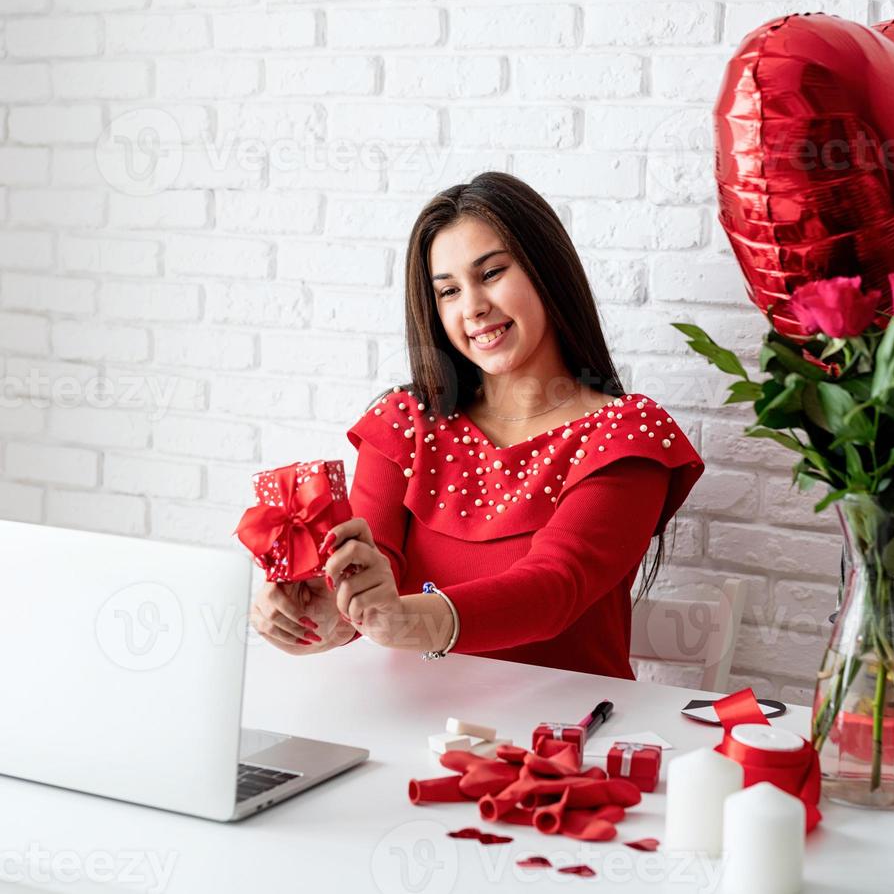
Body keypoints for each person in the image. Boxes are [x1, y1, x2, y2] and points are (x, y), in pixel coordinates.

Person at [250, 172, 704, 679]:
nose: (473, 307)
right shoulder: (406, 422)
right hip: (415, 730)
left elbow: (556, 587)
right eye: (447, 291)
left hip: (564, 739)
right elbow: (374, 569)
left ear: (546, 270)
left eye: (490, 274)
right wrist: (327, 614)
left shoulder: (626, 435)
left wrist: (402, 618)